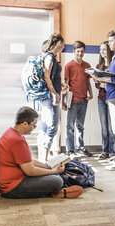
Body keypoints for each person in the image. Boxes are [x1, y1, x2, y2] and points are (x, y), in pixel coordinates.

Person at [0, 106, 83, 199]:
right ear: (25, 124)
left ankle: (54, 190)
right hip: (12, 187)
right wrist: (53, 171)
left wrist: (48, 166)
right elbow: (30, 171)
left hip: (15, 180)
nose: (34, 128)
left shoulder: (13, 133)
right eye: (34, 126)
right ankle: (58, 192)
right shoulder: (17, 140)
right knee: (57, 181)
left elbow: (28, 161)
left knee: (54, 174)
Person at [88, 30, 115, 170]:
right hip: (112, 95)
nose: (109, 44)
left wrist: (101, 78)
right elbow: (114, 76)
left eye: (111, 41)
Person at [37, 33, 68, 162]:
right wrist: (55, 94)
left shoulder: (53, 57)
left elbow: (53, 76)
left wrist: (61, 84)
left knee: (48, 125)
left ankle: (44, 154)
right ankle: (44, 157)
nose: (64, 45)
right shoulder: (49, 57)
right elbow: (46, 76)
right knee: (53, 126)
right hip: (50, 97)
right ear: (59, 43)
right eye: (63, 43)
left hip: (51, 95)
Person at [63, 41, 93, 157]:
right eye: (78, 51)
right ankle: (70, 150)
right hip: (72, 101)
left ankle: (80, 147)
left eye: (82, 51)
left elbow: (88, 81)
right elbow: (66, 85)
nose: (80, 53)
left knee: (80, 126)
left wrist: (91, 94)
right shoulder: (69, 65)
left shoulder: (87, 65)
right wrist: (64, 102)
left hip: (83, 101)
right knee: (70, 126)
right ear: (73, 52)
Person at [93, 41, 115, 160]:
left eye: (104, 49)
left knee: (111, 127)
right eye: (100, 50)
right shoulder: (99, 67)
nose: (102, 52)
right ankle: (105, 151)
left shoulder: (114, 65)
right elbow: (98, 85)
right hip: (101, 99)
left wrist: (102, 83)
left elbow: (114, 84)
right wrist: (100, 83)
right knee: (104, 127)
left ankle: (113, 152)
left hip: (112, 99)